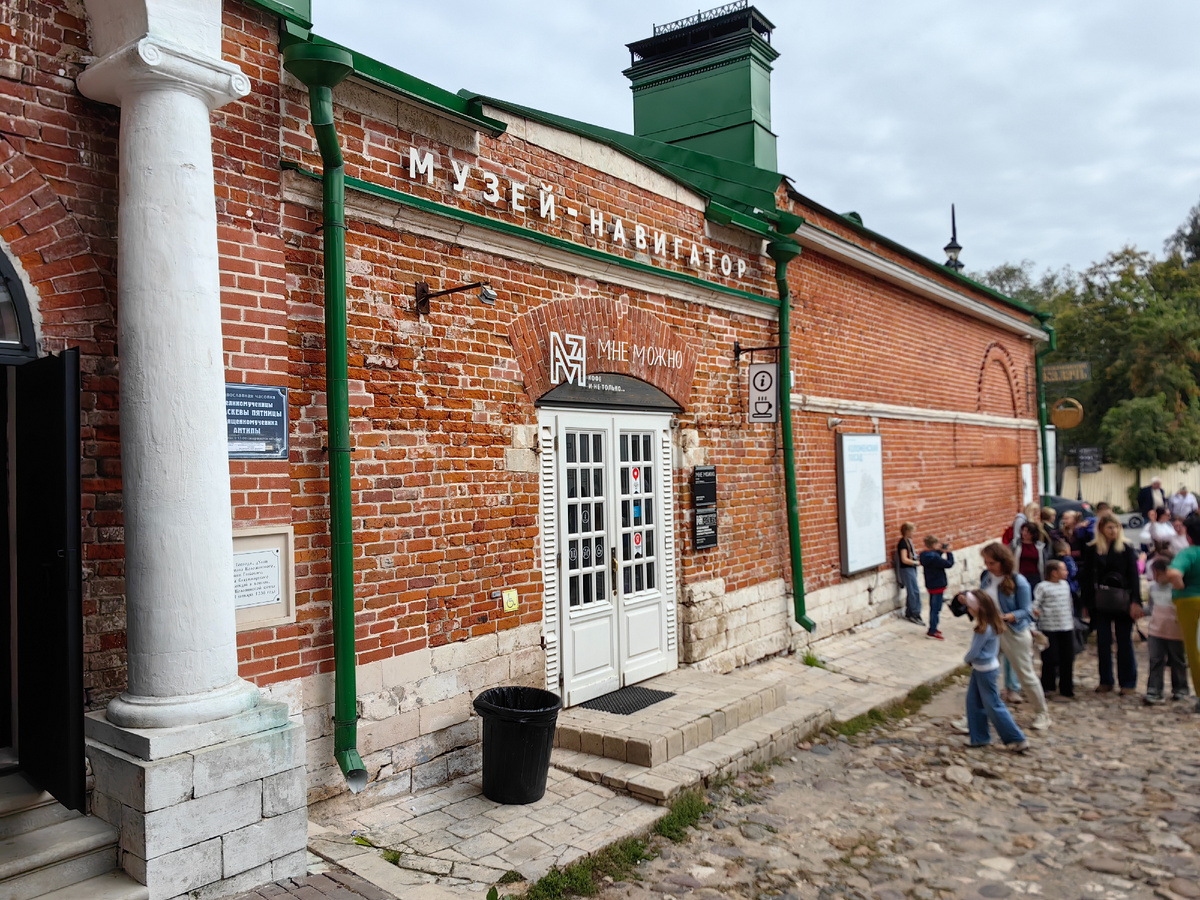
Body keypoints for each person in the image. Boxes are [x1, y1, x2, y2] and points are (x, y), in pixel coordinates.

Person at [980, 542, 1052, 730]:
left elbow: (1028, 610)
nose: (988, 567)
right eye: (986, 563)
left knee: (1025, 674)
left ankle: (1042, 713)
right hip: (991, 631)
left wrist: (1011, 616)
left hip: (1014, 631)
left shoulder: (1018, 581)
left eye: (992, 563)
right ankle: (978, 715)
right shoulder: (986, 577)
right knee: (984, 674)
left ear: (1003, 562)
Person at [1080, 511, 1143, 694]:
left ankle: (1128, 682)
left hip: (1123, 600)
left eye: (1116, 527)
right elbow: (1086, 577)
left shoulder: (1126, 548)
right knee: (1103, 642)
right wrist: (1086, 602)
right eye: (1109, 527)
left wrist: (1136, 601)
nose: (1113, 530)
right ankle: (1106, 680)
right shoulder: (1093, 549)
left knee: (1125, 642)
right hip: (1101, 601)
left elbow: (1134, 576)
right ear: (1101, 529)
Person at [959, 590, 1029, 752]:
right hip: (982, 668)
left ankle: (1017, 737)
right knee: (973, 702)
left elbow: (974, 651)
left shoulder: (983, 629)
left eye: (970, 608)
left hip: (984, 670)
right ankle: (979, 737)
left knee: (993, 704)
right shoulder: (992, 625)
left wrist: (966, 659)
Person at [1166, 514, 1200, 712]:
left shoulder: (1189, 553)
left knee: (1195, 651)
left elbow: (1173, 573)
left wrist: (1180, 585)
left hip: (1190, 602)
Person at [1144, 556, 1189, 704]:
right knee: (1156, 660)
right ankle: (1154, 689)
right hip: (1156, 630)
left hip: (1176, 632)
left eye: (1158, 573)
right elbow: (1151, 608)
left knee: (1178, 661)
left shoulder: (1178, 588)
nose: (1155, 577)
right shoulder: (1153, 588)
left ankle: (1180, 689)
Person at [1032, 560, 1076, 699]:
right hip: (1049, 627)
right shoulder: (1042, 587)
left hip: (1066, 626)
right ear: (1054, 572)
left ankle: (1066, 687)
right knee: (1050, 658)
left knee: (1067, 658)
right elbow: (1035, 605)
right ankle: (1047, 685)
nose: (1067, 572)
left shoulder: (1065, 585)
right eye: (1063, 570)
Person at [919, 536, 954, 640]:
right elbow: (949, 564)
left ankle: (933, 627)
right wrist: (949, 553)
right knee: (936, 609)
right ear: (934, 545)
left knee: (933, 607)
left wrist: (940, 551)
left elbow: (934, 557)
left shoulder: (924, 555)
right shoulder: (935, 558)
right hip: (938, 584)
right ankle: (932, 630)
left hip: (930, 584)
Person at [896, 522, 922, 624]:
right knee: (914, 591)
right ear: (907, 531)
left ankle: (909, 611)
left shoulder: (908, 541)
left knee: (913, 591)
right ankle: (914, 613)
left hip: (911, 568)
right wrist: (916, 563)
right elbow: (904, 559)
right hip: (907, 569)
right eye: (912, 531)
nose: (913, 533)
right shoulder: (903, 543)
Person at [1011, 521, 1048, 588]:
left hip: (1035, 576)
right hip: (1020, 575)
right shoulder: (1016, 545)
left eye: (1027, 532)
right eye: (1023, 531)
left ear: (1033, 534)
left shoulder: (1040, 547)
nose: (1024, 533)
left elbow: (1043, 562)